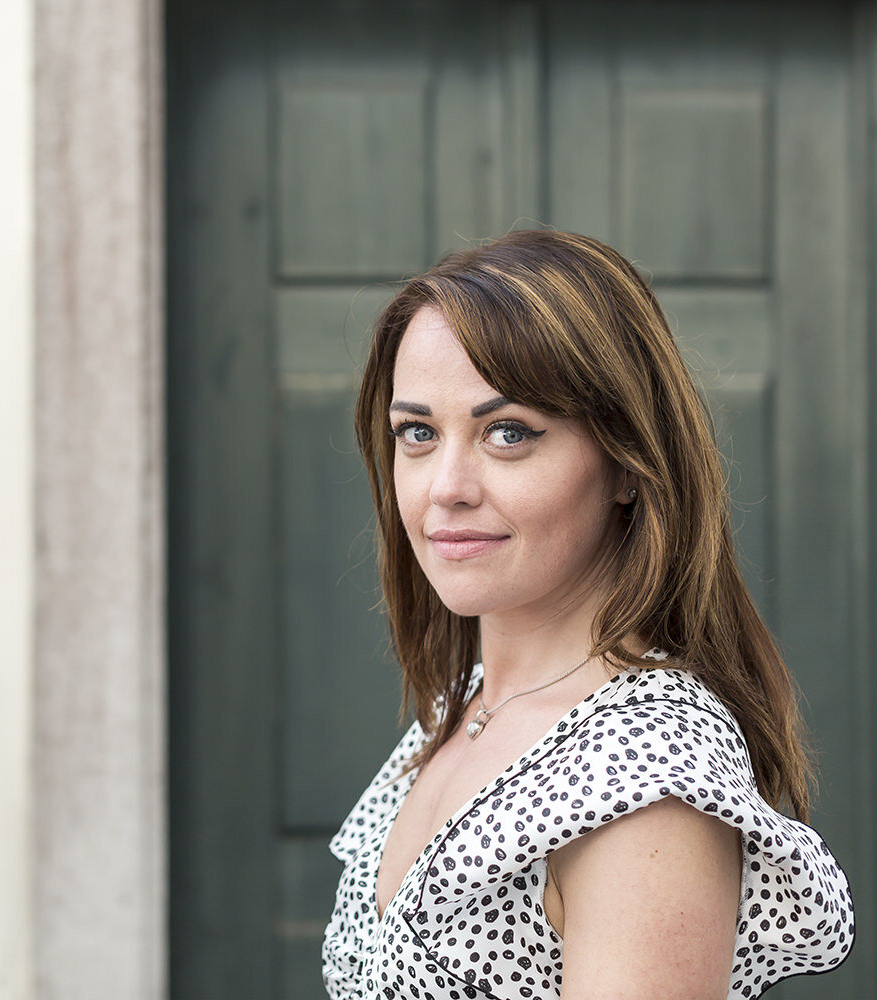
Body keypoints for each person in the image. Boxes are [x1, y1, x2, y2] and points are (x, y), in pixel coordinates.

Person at [322, 230, 853, 999]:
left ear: (627, 466)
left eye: (508, 433)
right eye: (419, 433)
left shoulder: (645, 774)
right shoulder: (462, 703)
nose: (446, 486)